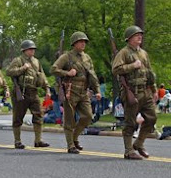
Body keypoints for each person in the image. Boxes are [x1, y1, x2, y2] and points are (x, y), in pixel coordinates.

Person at [51, 31, 101, 154]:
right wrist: (67, 73)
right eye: (80, 41)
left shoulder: (87, 58)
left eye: (84, 41)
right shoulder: (66, 56)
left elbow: (92, 75)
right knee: (69, 120)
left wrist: (97, 90)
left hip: (83, 91)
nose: (83, 43)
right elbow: (53, 69)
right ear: (74, 43)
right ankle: (71, 145)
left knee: (88, 116)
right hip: (70, 91)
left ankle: (74, 137)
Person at [112, 25, 158, 160]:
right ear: (129, 38)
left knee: (152, 118)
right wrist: (132, 65)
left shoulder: (143, 53)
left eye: (140, 35)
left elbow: (149, 72)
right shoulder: (124, 53)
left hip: (145, 91)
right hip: (132, 92)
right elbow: (116, 70)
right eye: (136, 35)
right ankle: (128, 150)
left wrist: (154, 89)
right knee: (130, 122)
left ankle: (139, 143)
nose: (140, 37)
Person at [7, 40, 51, 149]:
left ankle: (38, 140)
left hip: (33, 91)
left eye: (33, 49)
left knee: (39, 114)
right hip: (22, 91)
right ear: (24, 50)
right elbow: (9, 72)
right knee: (18, 116)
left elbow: (42, 76)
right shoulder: (18, 60)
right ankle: (17, 141)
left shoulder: (36, 62)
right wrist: (23, 68)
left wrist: (47, 89)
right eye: (30, 49)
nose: (32, 51)